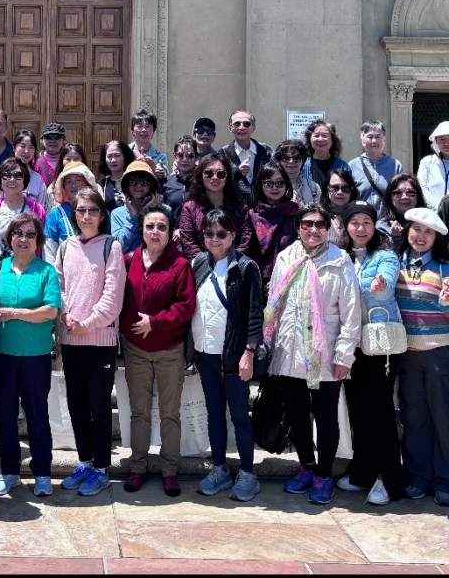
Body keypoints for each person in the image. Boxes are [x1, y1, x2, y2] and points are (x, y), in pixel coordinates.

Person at [265, 202, 360, 506]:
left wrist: (344, 355)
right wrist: (271, 342)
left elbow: (351, 311)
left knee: (325, 415)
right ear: (298, 228)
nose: (314, 229)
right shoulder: (286, 257)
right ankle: (306, 465)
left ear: (327, 229)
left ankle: (324, 474)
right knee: (297, 414)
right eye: (308, 224)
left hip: (324, 350)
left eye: (320, 224)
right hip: (290, 348)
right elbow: (275, 301)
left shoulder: (339, 260)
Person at [0, 213, 61, 498]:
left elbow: (50, 311)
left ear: (38, 240)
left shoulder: (46, 271)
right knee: (5, 415)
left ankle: (42, 473)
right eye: (18, 233)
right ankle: (9, 472)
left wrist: (14, 313)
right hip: (3, 355)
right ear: (9, 238)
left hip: (35, 356)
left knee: (37, 414)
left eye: (30, 234)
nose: (24, 239)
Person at [54, 188, 126, 498]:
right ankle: (84, 461)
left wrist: (89, 323)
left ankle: (101, 468)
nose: (86, 216)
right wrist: (65, 315)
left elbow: (113, 296)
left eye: (92, 210)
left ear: (101, 214)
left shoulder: (111, 246)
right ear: (74, 214)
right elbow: (58, 288)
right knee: (76, 404)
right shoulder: (65, 247)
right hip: (71, 339)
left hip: (99, 340)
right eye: (81, 210)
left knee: (99, 405)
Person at [120, 204, 196, 498]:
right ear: (141, 230)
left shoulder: (180, 265)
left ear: (170, 232)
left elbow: (185, 306)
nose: (155, 232)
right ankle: (138, 466)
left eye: (161, 227)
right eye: (150, 226)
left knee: (169, 414)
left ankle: (169, 471)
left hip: (169, 349)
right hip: (136, 349)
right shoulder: (128, 260)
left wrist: (155, 322)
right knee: (139, 412)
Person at [394, 207, 449, 506]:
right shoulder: (396, 265)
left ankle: (448, 481)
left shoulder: (447, 270)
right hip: (408, 355)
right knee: (414, 419)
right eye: (416, 230)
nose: (421, 236)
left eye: (428, 232)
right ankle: (418, 477)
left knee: (445, 419)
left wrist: (448, 302)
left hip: (442, 353)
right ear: (407, 232)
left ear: (437, 238)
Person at [334, 201, 402, 507]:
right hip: (351, 345)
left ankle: (388, 479)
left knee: (381, 411)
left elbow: (386, 285)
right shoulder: (340, 257)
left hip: (379, 345)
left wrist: (380, 284)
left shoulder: (384, 256)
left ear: (375, 227)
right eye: (355, 222)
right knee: (358, 410)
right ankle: (363, 472)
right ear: (346, 226)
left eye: (366, 222)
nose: (361, 228)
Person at [191, 209, 262, 502]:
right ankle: (219, 468)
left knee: (240, 416)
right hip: (205, 353)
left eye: (221, 233)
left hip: (234, 355)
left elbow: (255, 313)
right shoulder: (198, 263)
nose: (215, 239)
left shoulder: (245, 267)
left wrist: (249, 353)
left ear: (233, 235)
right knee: (214, 414)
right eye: (209, 233)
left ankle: (248, 473)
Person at [239, 160, 299, 294]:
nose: (274, 187)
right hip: (258, 284)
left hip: (291, 282)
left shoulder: (295, 214)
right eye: (268, 183)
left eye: (280, 183)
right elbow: (249, 251)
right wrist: (263, 281)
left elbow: (300, 251)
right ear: (260, 185)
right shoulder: (252, 215)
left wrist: (281, 279)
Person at [0, 159, 47, 268]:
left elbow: (43, 245)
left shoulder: (36, 210)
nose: (12, 179)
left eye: (18, 176)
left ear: (25, 180)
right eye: (6, 175)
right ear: (0, 180)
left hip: (28, 272)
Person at [178, 153, 248, 262]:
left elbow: (245, 239)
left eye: (221, 174)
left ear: (227, 178)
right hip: (199, 267)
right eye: (209, 173)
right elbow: (188, 242)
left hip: (234, 266)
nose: (215, 178)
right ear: (201, 176)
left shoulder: (240, 208)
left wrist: (231, 264)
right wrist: (204, 265)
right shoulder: (189, 208)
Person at [43, 163, 98, 263]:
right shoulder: (56, 214)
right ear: (63, 187)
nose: (73, 185)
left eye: (78, 180)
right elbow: (49, 251)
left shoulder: (99, 211)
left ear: (87, 183)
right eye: (68, 181)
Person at [348, 121, 404, 213]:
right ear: (362, 140)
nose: (374, 141)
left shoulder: (395, 165)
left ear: (384, 140)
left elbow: (400, 194)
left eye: (378, 137)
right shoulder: (352, 165)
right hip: (361, 218)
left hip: (387, 219)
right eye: (370, 137)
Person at [219, 110, 273, 206]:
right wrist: (237, 171)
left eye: (246, 124)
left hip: (264, 208)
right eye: (237, 124)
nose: (241, 127)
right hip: (235, 209)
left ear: (253, 128)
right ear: (230, 128)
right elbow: (218, 180)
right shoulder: (223, 153)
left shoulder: (266, 151)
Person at [0, 129, 50, 208]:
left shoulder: (37, 179)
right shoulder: (0, 173)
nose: (26, 151)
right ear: (14, 147)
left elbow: (40, 209)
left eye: (31, 147)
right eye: (22, 146)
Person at [111, 160, 162, 254]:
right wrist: (133, 218)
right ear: (127, 185)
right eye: (133, 181)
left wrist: (149, 212)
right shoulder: (117, 214)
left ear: (151, 185)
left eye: (144, 182)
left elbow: (162, 244)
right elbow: (119, 247)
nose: (138, 185)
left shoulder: (163, 211)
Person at [417, 121, 449, 210]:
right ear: (435, 141)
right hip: (433, 213)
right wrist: (440, 208)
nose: (446, 143)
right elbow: (422, 188)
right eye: (442, 139)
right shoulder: (427, 162)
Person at [377, 172, 426, 253]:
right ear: (390, 197)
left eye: (410, 192)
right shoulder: (382, 227)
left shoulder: (428, 223)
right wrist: (396, 238)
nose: (404, 197)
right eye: (398, 193)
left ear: (418, 196)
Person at [303, 119, 350, 192]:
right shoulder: (302, 165)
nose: (320, 139)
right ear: (309, 139)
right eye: (316, 136)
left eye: (325, 136)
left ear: (332, 140)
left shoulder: (343, 166)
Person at [275, 138, 321, 206]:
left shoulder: (314, 188)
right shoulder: (270, 186)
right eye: (286, 158)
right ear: (279, 161)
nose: (291, 161)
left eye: (296, 158)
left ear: (303, 160)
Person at [164, 136, 198, 223]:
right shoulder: (166, 182)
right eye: (180, 155)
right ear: (175, 156)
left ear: (196, 157)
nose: (185, 159)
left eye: (190, 156)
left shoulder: (203, 181)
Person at [129, 108, 168, 182]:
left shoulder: (160, 157)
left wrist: (155, 169)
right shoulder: (124, 152)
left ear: (153, 131)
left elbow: (164, 178)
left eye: (147, 126)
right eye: (139, 126)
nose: (144, 130)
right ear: (133, 131)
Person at [96, 139, 135, 210]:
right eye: (109, 156)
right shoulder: (101, 185)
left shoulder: (135, 182)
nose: (113, 160)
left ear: (125, 157)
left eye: (117, 155)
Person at [321, 168, 356, 245]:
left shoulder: (359, 216)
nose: (340, 192)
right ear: (327, 190)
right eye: (335, 188)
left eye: (346, 188)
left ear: (352, 191)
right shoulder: (318, 215)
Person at [34, 123, 66, 188]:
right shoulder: (34, 163)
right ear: (42, 140)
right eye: (48, 137)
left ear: (63, 141)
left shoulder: (69, 162)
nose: (53, 141)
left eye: (57, 137)